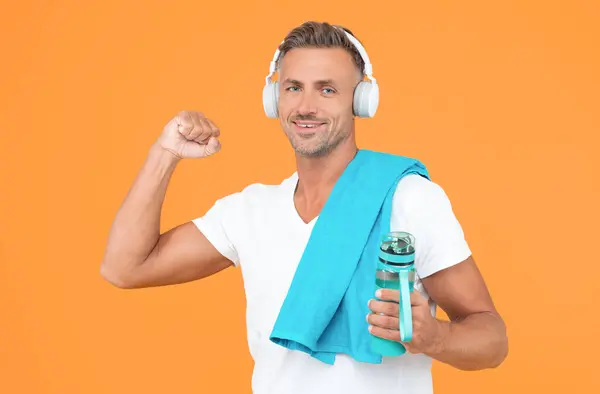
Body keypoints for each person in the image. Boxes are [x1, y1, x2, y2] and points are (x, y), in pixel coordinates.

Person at [100, 21, 508, 394]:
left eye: (327, 89)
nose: (306, 106)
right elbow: (124, 268)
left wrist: (434, 337)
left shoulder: (408, 197)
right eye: (293, 87)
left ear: (360, 100)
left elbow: (492, 339)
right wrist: (165, 152)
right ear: (273, 98)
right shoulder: (249, 210)